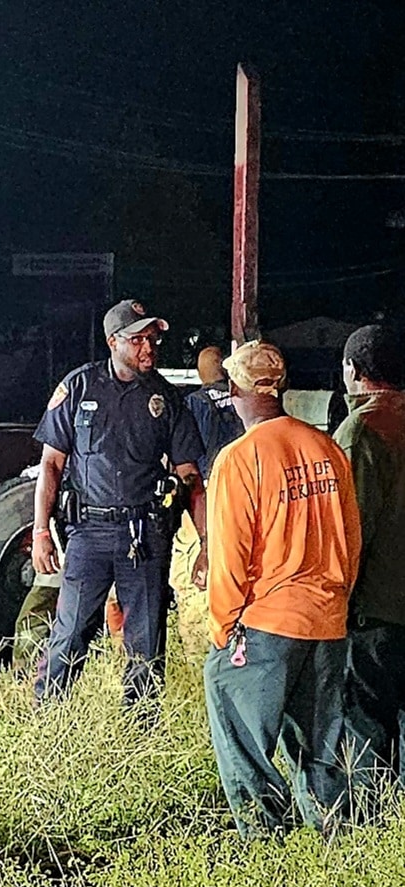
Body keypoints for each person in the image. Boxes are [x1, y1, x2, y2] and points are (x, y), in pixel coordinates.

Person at [202, 340, 360, 837]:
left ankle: (264, 841)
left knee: (243, 739)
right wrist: (336, 602)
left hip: (266, 622)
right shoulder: (327, 447)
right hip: (328, 621)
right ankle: (336, 840)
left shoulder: (239, 459)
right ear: (282, 386)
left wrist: (223, 629)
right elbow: (350, 542)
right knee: (323, 747)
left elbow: (230, 558)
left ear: (233, 389)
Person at [30, 300, 203, 704]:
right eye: (138, 339)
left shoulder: (167, 399)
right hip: (88, 532)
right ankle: (47, 719)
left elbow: (190, 475)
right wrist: (41, 531)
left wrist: (207, 543)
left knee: (146, 642)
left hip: (144, 535)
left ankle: (140, 732)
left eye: (153, 339)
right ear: (113, 342)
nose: (149, 348)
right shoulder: (78, 387)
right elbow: (50, 466)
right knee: (70, 635)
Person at [335, 325, 405, 802]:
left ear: (353, 372)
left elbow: (348, 530)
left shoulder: (360, 430)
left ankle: (371, 831)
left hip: (376, 610)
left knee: (366, 724)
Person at [172, 345, 246, 660]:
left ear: (201, 373)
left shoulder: (194, 404)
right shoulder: (243, 399)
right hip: (242, 500)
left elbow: (188, 464)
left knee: (192, 583)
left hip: (206, 500)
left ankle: (197, 658)